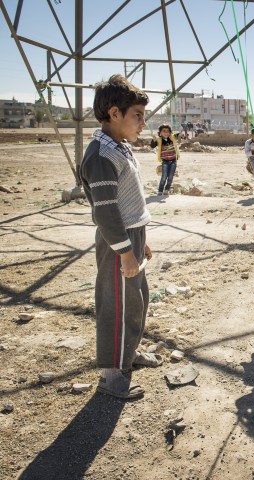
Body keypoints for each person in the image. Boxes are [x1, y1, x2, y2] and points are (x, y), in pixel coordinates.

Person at [78, 74, 162, 400]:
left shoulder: (120, 146)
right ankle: (111, 374)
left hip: (131, 237)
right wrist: (126, 251)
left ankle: (128, 354)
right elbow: (106, 212)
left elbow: (127, 203)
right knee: (115, 305)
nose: (143, 123)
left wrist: (141, 240)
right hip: (118, 243)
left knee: (136, 300)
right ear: (115, 114)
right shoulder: (101, 155)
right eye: (137, 116)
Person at [150, 124, 179, 195]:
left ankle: (166, 189)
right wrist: (153, 140)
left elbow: (181, 136)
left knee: (170, 176)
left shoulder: (173, 138)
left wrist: (182, 135)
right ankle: (160, 190)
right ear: (160, 132)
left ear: (170, 132)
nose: (166, 133)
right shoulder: (159, 140)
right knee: (164, 176)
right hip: (165, 161)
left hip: (173, 161)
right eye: (164, 131)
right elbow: (152, 146)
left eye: (168, 131)